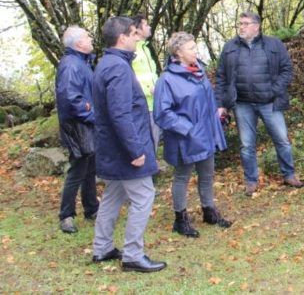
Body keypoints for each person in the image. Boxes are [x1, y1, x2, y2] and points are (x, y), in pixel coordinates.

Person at [91, 16, 166, 273]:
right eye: (134, 33)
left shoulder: (110, 63)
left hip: (114, 148)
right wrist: (135, 151)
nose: (137, 37)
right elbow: (119, 113)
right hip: (125, 149)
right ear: (122, 38)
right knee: (144, 195)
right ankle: (133, 255)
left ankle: (102, 248)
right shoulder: (117, 68)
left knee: (113, 195)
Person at [215, 11, 303, 196]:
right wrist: (220, 104)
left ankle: (289, 175)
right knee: (247, 145)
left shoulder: (273, 44)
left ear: (257, 26)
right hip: (242, 104)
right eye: (240, 23)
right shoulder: (230, 47)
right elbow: (221, 77)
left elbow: (287, 70)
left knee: (282, 140)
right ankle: (251, 181)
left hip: (269, 102)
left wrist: (274, 90)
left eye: (246, 23)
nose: (242, 27)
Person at [154, 32, 232, 237]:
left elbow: (206, 99)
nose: (196, 51)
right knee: (182, 177)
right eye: (191, 48)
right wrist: (186, 128)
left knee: (207, 174)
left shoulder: (199, 71)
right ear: (178, 52)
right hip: (185, 138)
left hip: (206, 133)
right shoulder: (167, 79)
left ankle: (209, 211)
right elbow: (162, 113)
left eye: (195, 47)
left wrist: (216, 114)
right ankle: (180, 219)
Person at [55, 26, 99, 234]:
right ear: (79, 43)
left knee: (90, 168)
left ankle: (91, 208)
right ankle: (66, 215)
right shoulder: (71, 65)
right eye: (87, 37)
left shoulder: (82, 63)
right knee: (78, 169)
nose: (91, 39)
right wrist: (92, 115)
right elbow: (71, 98)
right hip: (77, 126)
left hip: (85, 124)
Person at [131, 15, 159, 146]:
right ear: (137, 30)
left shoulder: (146, 48)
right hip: (142, 106)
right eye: (146, 24)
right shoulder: (132, 51)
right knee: (146, 144)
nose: (149, 27)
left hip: (154, 103)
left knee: (154, 140)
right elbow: (131, 77)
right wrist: (148, 89)